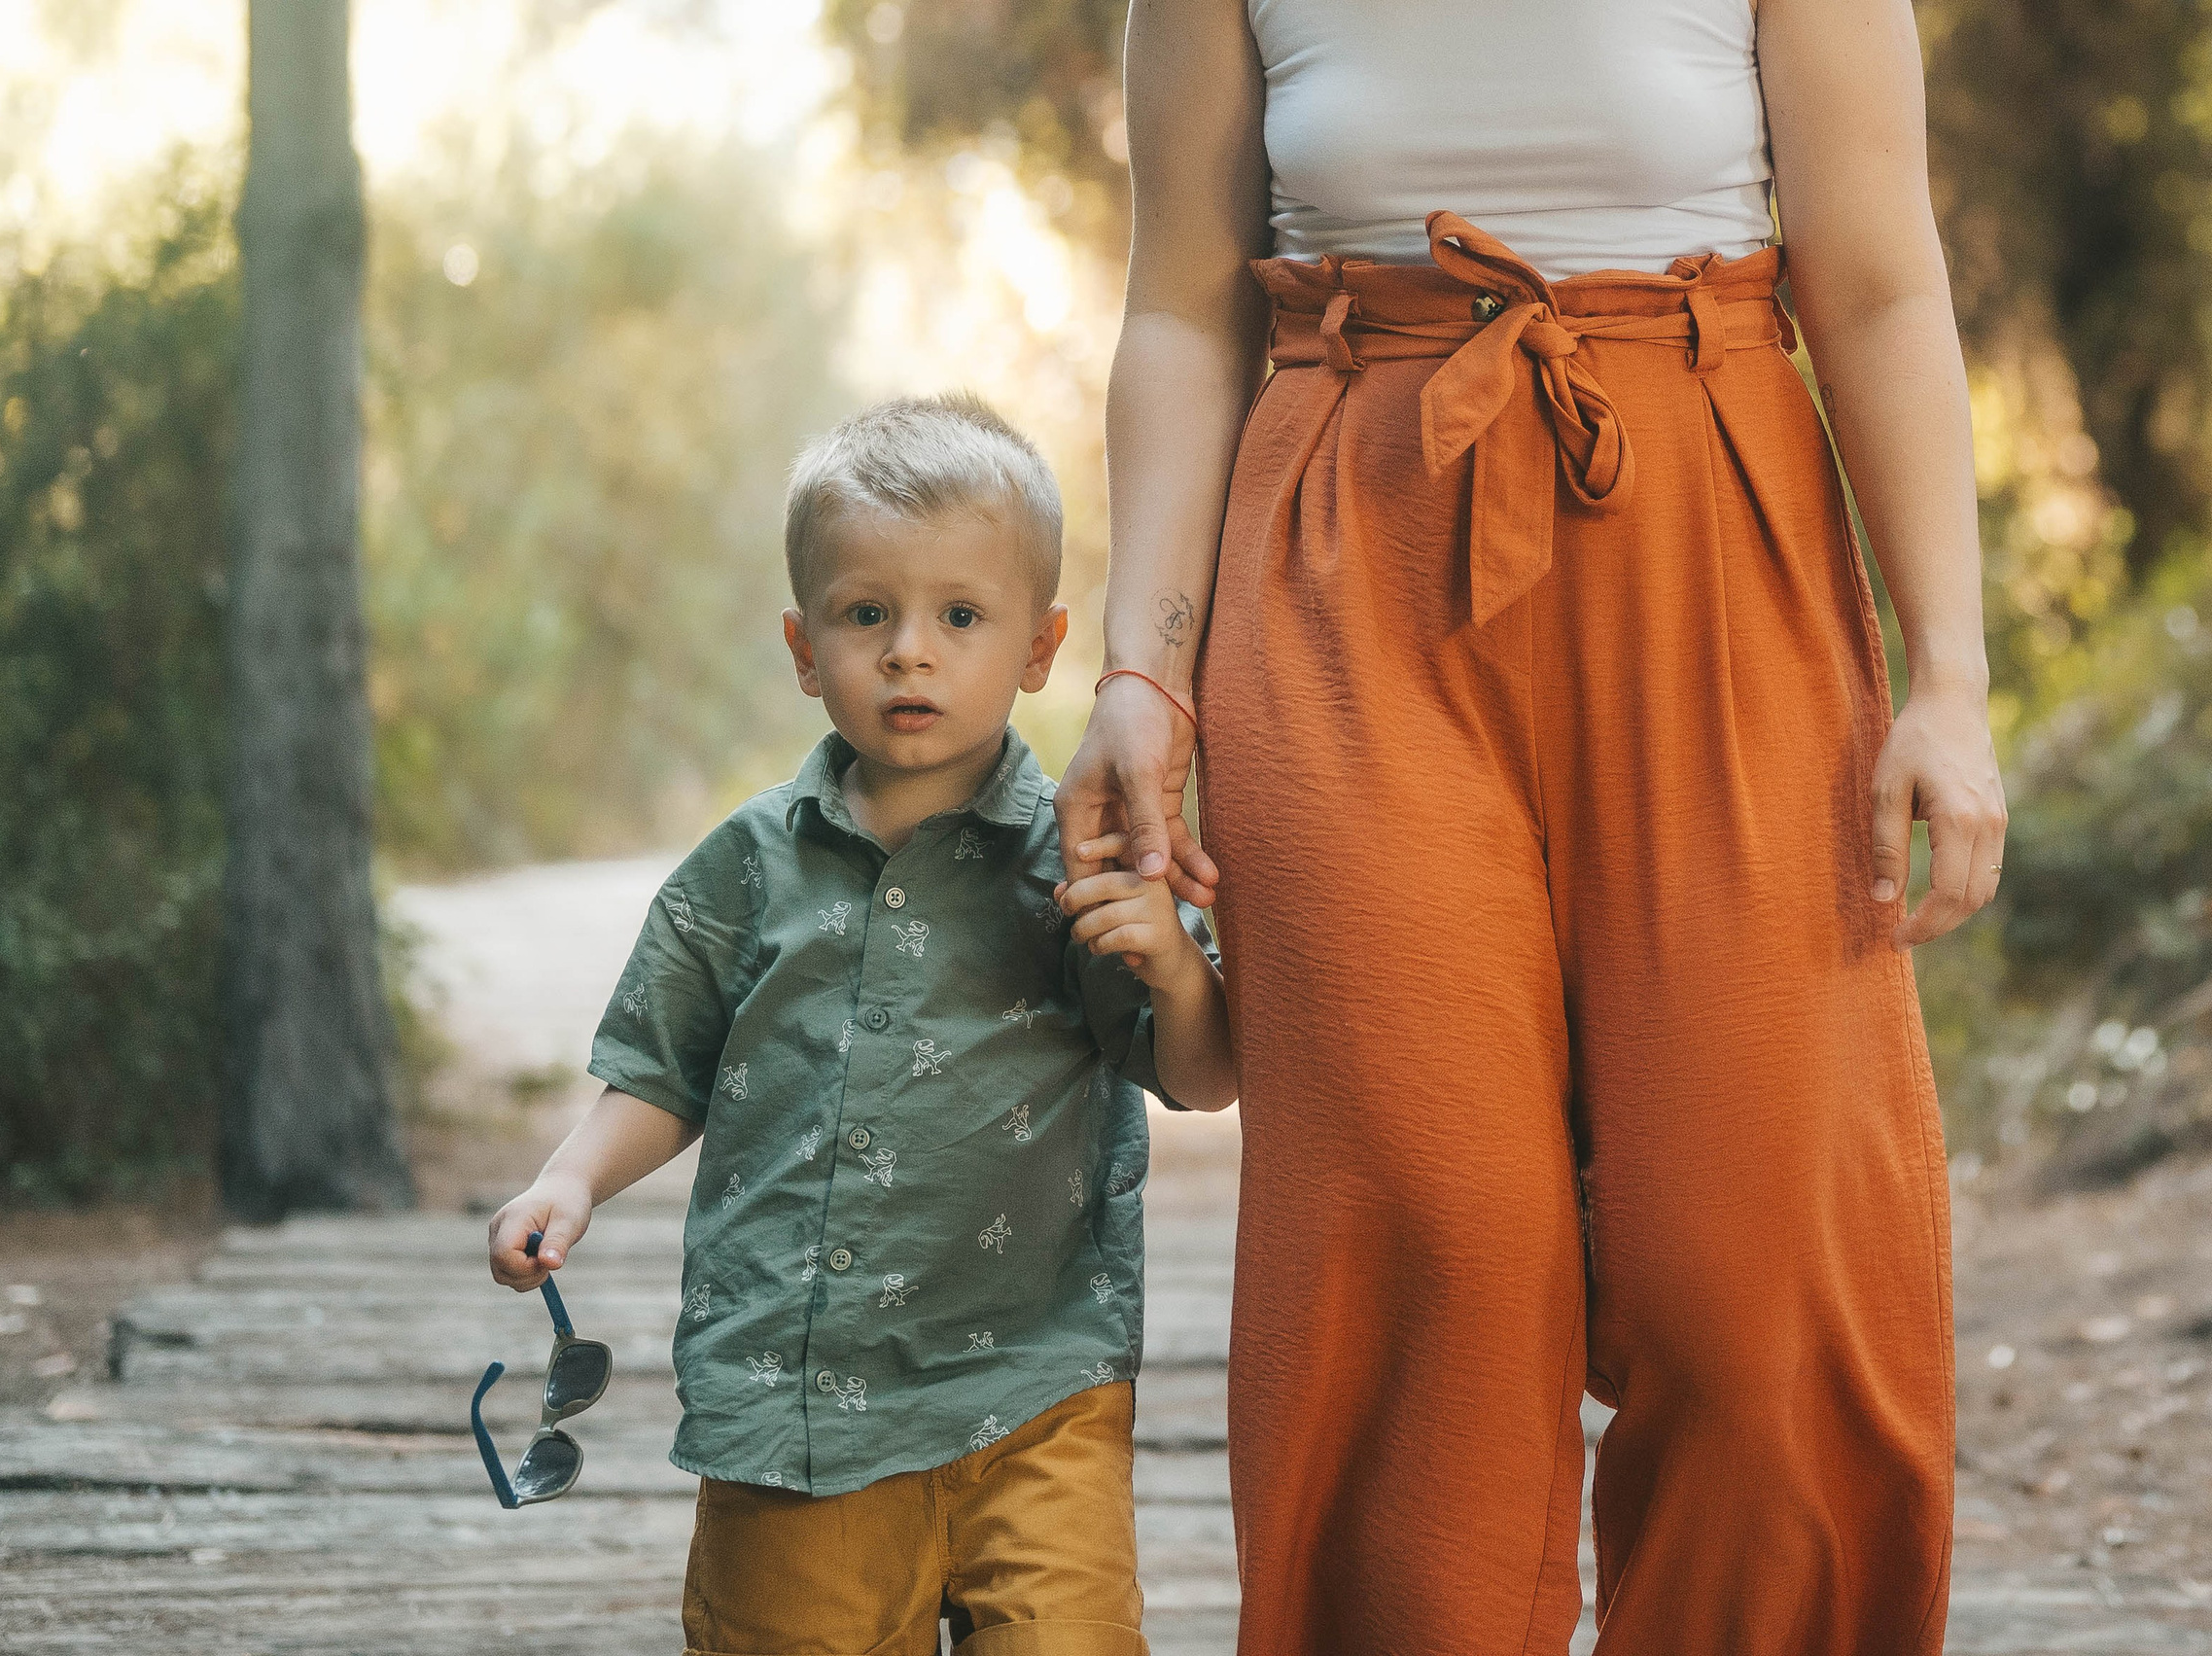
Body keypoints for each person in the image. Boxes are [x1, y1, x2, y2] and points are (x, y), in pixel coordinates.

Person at [1059, 2, 2008, 1652]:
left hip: (1717, 531)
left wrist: (1952, 677)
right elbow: (1179, 318)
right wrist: (1144, 668)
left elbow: (1876, 282)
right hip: (1344, 559)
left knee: (1756, 1261)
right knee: (1424, 1246)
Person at [487, 393, 1236, 1656]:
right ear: (802, 643)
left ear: (1042, 645)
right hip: (798, 1410)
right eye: (865, 614)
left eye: (959, 615)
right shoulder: (741, 872)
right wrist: (571, 1179)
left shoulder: (1081, 858)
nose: (909, 653)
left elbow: (1204, 1074)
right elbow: (664, 1066)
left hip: (1033, 1392)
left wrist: (1172, 963)